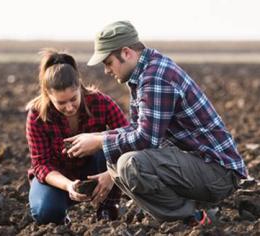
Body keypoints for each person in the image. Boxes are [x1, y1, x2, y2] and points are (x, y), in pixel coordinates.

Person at [65, 21, 247, 225]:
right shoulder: (144, 73)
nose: (107, 70)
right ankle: (197, 210)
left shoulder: (156, 77)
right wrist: (99, 138)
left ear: (126, 53)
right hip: (198, 165)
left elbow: (146, 139)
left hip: (218, 173)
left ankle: (194, 218)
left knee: (129, 164)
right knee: (117, 157)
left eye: (108, 62)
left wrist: (99, 142)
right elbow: (137, 128)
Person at [26, 49, 129, 224]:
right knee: (45, 212)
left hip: (97, 168)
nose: (69, 107)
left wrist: (111, 175)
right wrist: (68, 185)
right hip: (58, 176)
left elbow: (129, 137)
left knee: (109, 144)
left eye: (73, 99)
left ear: (79, 86)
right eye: (61, 103)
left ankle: (107, 209)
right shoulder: (37, 115)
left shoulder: (101, 102)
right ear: (48, 95)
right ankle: (61, 218)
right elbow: (41, 164)